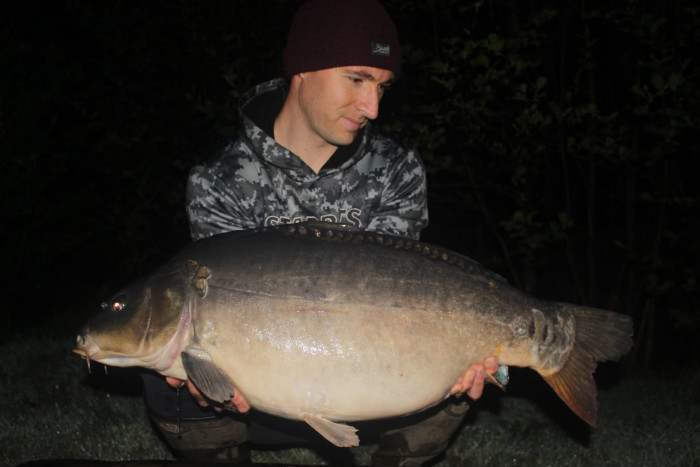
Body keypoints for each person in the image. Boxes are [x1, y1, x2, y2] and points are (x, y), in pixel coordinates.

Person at [142, 1, 499, 465]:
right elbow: (216, 311)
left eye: (382, 87)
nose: (372, 107)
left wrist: (460, 352)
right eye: (357, 79)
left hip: (372, 384)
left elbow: (398, 294)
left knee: (454, 362)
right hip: (260, 391)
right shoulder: (220, 180)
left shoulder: (397, 169)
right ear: (303, 70)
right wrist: (209, 377)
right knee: (167, 368)